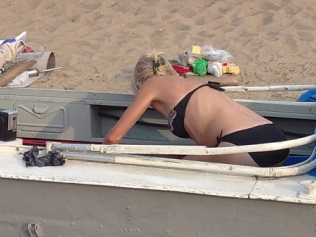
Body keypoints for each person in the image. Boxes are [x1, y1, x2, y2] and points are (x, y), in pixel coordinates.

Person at [103, 53, 291, 167]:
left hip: (244, 145)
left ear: (138, 82)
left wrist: (98, 159)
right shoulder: (191, 83)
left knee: (170, 169)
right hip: (276, 140)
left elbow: (113, 138)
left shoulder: (151, 85)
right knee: (178, 158)